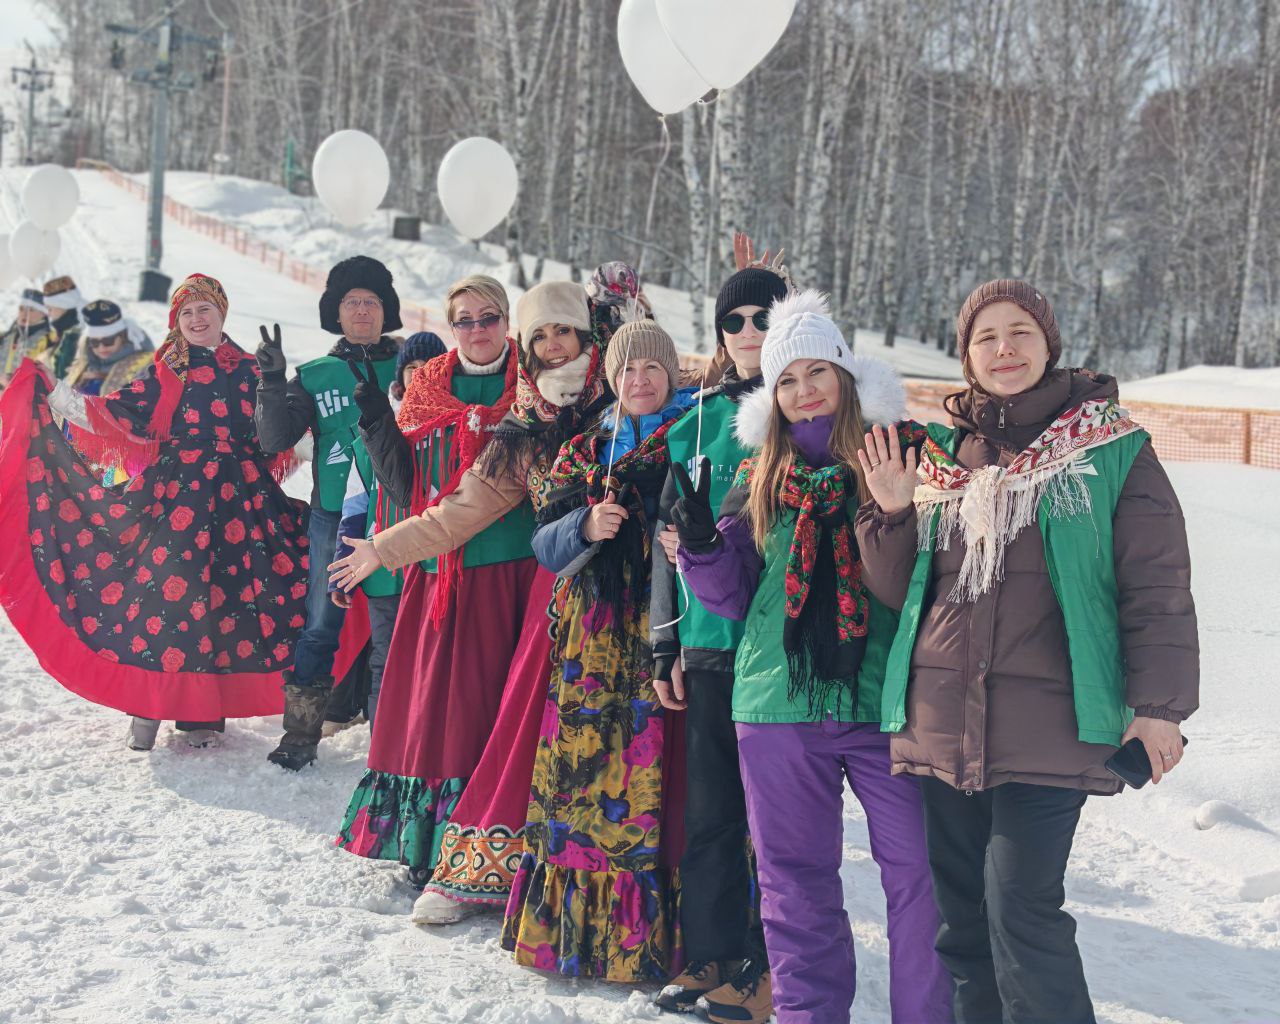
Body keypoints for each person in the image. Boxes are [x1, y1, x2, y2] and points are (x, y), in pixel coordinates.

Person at [854, 279, 1199, 1024]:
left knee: (1023, 910)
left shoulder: (1109, 449)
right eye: (986, 337)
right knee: (964, 922)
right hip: (942, 722)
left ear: (1049, 346)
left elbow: (1157, 586)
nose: (1003, 348)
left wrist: (1160, 708)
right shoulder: (940, 457)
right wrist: (888, 512)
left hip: (1051, 727)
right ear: (966, 355)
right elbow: (899, 593)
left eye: (1020, 333)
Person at [672, 290, 951, 1024]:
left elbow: (940, 569)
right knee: (796, 885)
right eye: (786, 380)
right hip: (776, 703)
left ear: (844, 372)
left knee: (921, 879)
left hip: (885, 701)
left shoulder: (902, 450)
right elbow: (733, 598)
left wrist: (899, 505)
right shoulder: (758, 476)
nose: (802, 391)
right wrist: (700, 545)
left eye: (815, 371)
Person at [330, 279, 613, 924]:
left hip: (617, 596)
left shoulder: (623, 393)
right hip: (543, 582)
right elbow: (457, 508)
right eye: (540, 336)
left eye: (561, 330)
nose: (551, 345)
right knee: (503, 721)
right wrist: (380, 546)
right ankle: (487, 862)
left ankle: (611, 883)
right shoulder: (526, 421)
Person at [0, 273, 310, 752]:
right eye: (185, 313)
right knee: (163, 601)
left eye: (204, 309)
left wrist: (336, 439)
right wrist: (52, 392)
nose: (195, 319)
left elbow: (283, 435)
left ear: (222, 314)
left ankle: (201, 713)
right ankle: (145, 709)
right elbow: (108, 414)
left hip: (242, 505)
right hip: (176, 503)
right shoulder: (168, 371)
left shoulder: (253, 369)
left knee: (229, 605)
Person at [501, 319, 697, 983]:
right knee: (581, 782)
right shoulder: (587, 446)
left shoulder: (695, 438)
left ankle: (660, 937)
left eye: (651, 369)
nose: (638, 381)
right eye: (626, 371)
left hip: (666, 629)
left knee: (663, 780)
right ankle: (575, 934)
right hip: (592, 639)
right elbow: (544, 545)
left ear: (671, 374)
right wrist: (584, 524)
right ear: (610, 379)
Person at [333, 274, 537, 894]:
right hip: (437, 573)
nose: (478, 330)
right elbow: (405, 487)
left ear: (508, 322)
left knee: (493, 711)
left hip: (512, 575)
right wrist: (376, 424)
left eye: (489, 317)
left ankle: (493, 841)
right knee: (435, 714)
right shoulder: (425, 386)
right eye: (465, 320)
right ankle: (430, 842)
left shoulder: (532, 391)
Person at [649, 265, 790, 1017]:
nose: (746, 334)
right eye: (732, 322)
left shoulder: (807, 416)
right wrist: (662, 646)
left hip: (782, 650)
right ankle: (710, 955)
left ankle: (774, 968)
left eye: (761, 318)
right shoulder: (693, 422)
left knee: (777, 824)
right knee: (711, 816)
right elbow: (665, 543)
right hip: (705, 645)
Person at [254, 255, 401, 770]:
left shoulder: (412, 368)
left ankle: (391, 739)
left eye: (372, 302)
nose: (362, 311)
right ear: (335, 313)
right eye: (352, 302)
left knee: (394, 626)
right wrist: (271, 384)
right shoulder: (315, 375)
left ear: (387, 312)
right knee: (320, 623)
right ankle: (299, 735)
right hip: (332, 518)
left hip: (397, 520)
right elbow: (275, 438)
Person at [63, 300, 154, 399]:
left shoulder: (143, 365)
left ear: (122, 337)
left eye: (108, 341)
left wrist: (102, 376)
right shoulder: (85, 362)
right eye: (95, 342)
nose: (101, 348)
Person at [2, 289, 58, 390]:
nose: (24, 314)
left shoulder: (50, 340)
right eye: (21, 309)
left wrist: (9, 383)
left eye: (31, 310)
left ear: (43, 313)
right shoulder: (7, 337)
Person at [42, 275, 85, 380]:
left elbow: (62, 373)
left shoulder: (74, 334)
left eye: (50, 309)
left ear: (63, 305)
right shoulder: (64, 331)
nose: (48, 314)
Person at [389, 331, 447, 406]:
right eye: (412, 367)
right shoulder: (387, 410)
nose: (418, 374)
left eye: (427, 368)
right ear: (401, 375)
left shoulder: (454, 412)